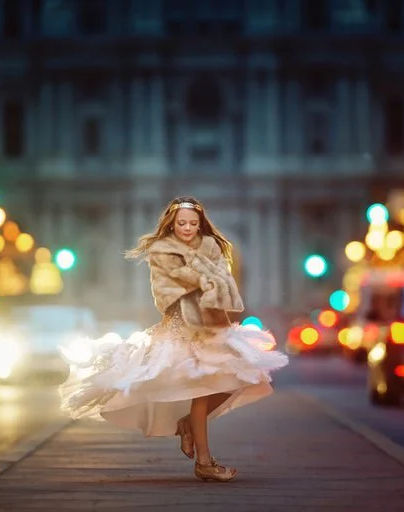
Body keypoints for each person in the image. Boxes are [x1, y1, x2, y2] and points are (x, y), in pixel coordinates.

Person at [59, 196, 289, 482]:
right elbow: (167, 295)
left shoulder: (212, 246)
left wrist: (212, 286)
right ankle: (204, 461)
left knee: (249, 377)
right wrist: (204, 281)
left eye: (193, 223)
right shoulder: (162, 251)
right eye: (181, 223)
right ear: (172, 222)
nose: (187, 228)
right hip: (183, 328)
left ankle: (187, 424)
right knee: (201, 392)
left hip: (216, 325)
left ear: (201, 223)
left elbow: (227, 288)